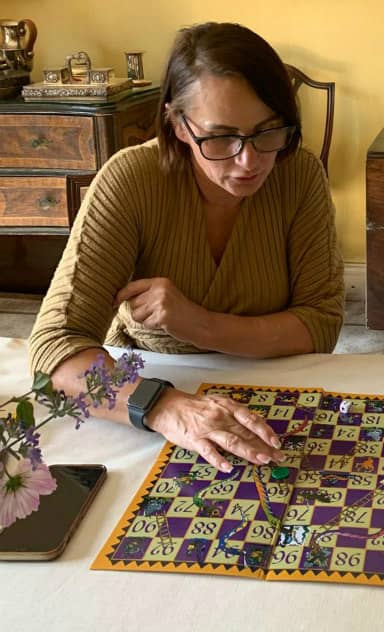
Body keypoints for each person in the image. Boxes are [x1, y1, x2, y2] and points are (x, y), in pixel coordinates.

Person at [28, 22, 344, 471]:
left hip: (274, 392)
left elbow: (321, 324)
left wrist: (198, 324)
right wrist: (163, 407)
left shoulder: (300, 176)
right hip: (146, 394)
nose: (249, 161)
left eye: (268, 131)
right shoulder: (130, 181)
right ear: (178, 125)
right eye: (220, 137)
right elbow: (54, 351)